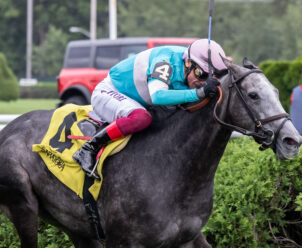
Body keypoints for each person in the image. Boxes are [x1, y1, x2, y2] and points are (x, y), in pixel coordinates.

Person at [72, 39, 227, 178]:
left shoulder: (191, 68)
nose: (203, 82)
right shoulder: (165, 62)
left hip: (137, 99)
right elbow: (158, 96)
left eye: (209, 78)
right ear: (188, 63)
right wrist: (198, 93)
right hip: (110, 92)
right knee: (141, 118)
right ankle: (89, 148)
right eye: (201, 74)